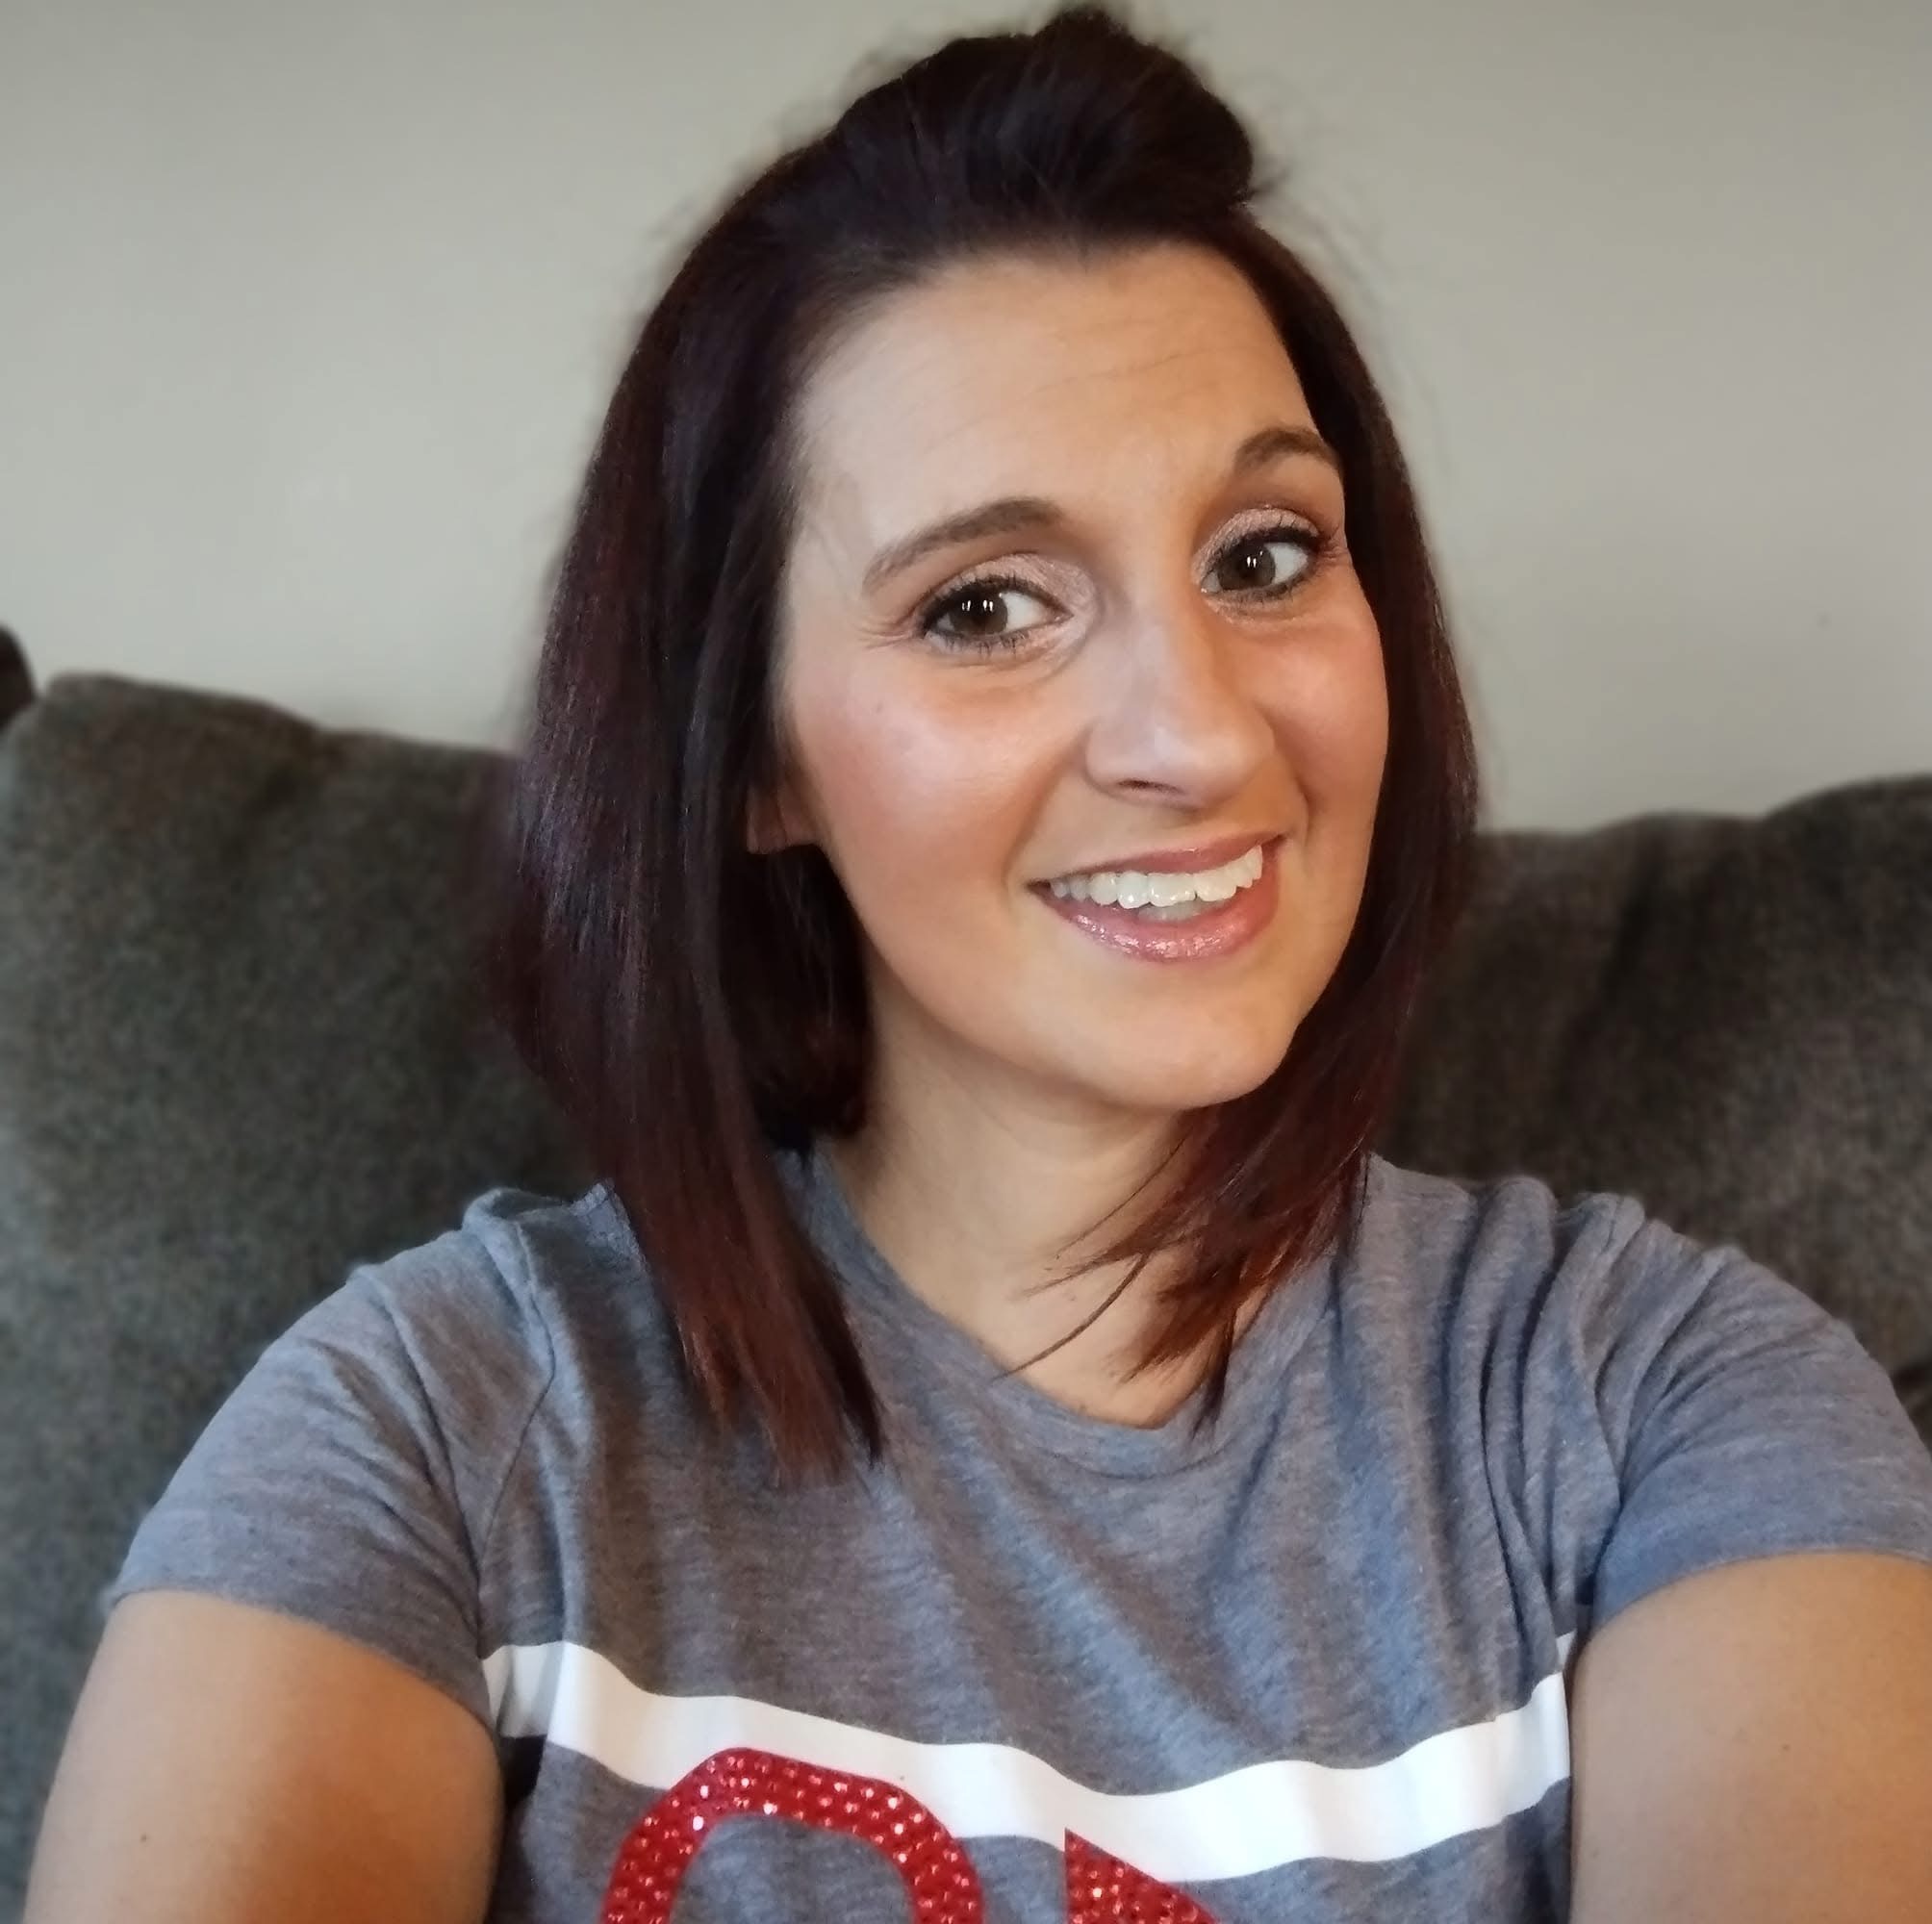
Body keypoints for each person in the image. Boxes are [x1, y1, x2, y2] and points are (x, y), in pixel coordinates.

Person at [25, 6, 1932, 1920]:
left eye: (1263, 557)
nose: (1198, 735)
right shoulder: (435, 1434)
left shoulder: (1668, 1405)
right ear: (748, 754)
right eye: (986, 605)